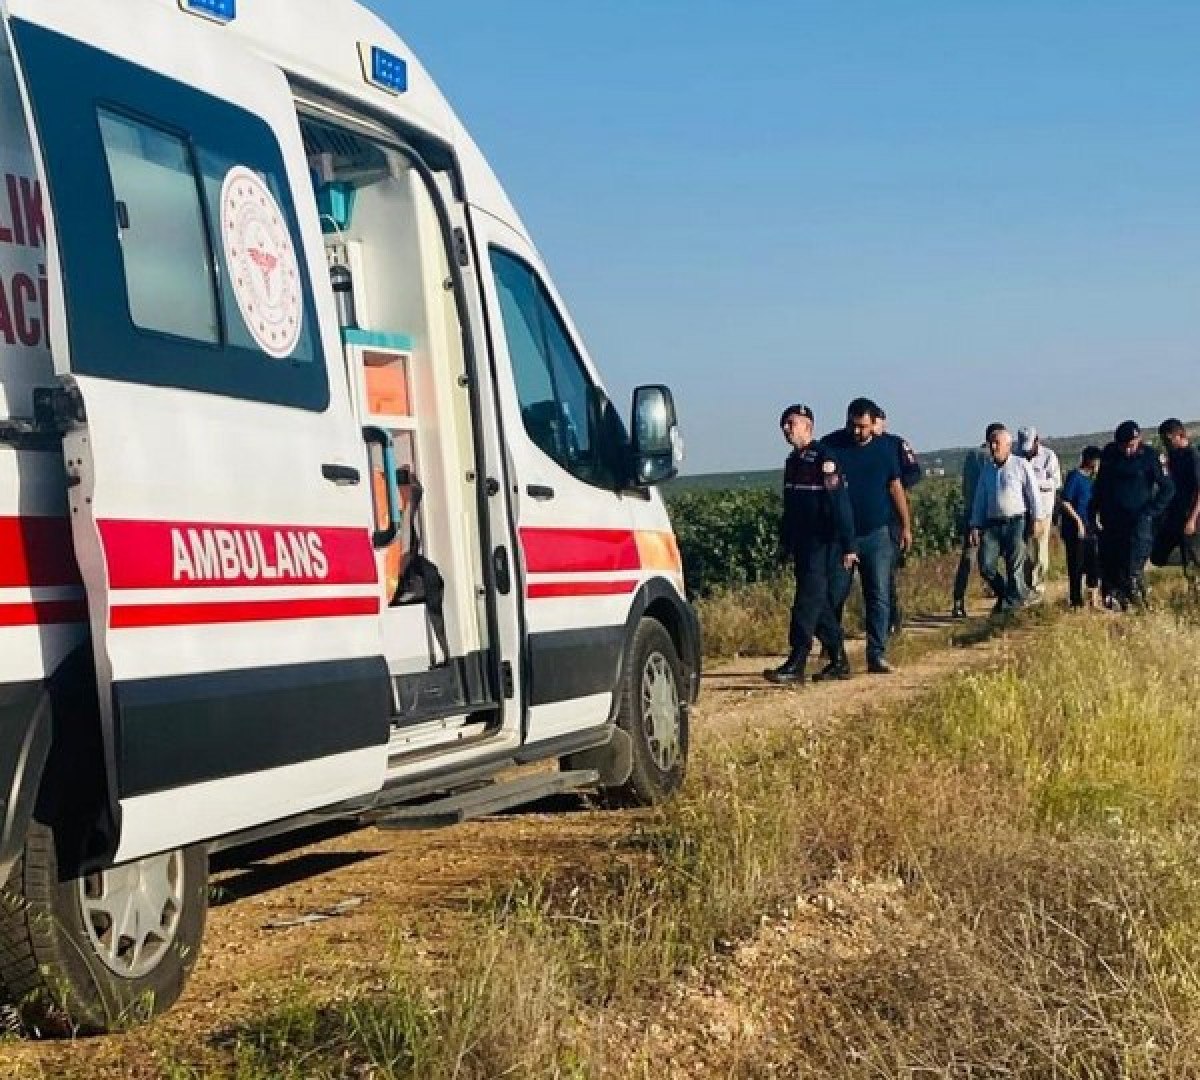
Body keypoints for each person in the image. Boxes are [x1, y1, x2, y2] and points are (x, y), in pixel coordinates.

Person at [764, 404, 858, 685]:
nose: (786, 429)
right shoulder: (792, 462)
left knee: (806, 601)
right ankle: (839, 659)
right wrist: (784, 543)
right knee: (819, 606)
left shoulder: (824, 459)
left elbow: (839, 504)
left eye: (791, 423)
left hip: (822, 540)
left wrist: (848, 544)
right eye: (783, 424)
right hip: (802, 541)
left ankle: (797, 660)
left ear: (808, 426)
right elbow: (790, 509)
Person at [822, 397, 912, 675]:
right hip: (841, 536)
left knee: (879, 594)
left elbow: (896, 488)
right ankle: (834, 653)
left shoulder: (886, 449)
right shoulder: (831, 446)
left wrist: (905, 526)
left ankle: (877, 653)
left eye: (862, 426)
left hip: (877, 532)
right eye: (852, 425)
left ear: (874, 424)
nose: (857, 431)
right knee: (834, 595)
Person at [1091, 420, 1174, 609]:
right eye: (1123, 446)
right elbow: (1101, 486)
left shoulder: (1151, 457)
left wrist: (1150, 512)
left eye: (1131, 446)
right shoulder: (1110, 455)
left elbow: (1168, 489)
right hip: (1112, 521)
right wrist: (1093, 510)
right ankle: (1117, 605)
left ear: (1139, 440)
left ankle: (1141, 606)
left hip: (1139, 521)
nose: (1127, 451)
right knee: (1112, 567)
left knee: (1132, 569)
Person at [968, 425, 1046, 613]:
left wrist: (1037, 518)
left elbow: (1033, 494)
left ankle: (1012, 607)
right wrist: (975, 525)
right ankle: (1007, 595)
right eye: (991, 443)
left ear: (1008, 445)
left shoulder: (1020, 465)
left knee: (1015, 565)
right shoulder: (987, 470)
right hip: (992, 524)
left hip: (1016, 522)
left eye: (997, 443)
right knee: (986, 565)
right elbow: (980, 499)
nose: (993, 447)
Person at [873, 408, 922, 634]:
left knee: (886, 572)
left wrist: (895, 488)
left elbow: (914, 472)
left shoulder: (896, 444)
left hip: (891, 515)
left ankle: (893, 620)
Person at [952, 422, 1005, 618]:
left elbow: (966, 487)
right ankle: (1004, 595)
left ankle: (958, 601)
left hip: (970, 513)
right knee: (992, 559)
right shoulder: (993, 459)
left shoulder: (971, 456)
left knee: (967, 560)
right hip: (990, 516)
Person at [1151, 418, 1200, 587]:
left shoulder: (1192, 457)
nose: (1166, 443)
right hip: (1174, 515)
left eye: (1169, 439)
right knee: (1157, 556)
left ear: (1181, 435)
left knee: (1191, 563)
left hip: (1190, 515)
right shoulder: (1173, 457)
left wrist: (1193, 519)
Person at [1015, 426, 1061, 600]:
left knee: (1040, 551)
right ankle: (1026, 586)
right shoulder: (1017, 457)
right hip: (1024, 510)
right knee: (1025, 551)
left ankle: (1038, 586)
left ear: (1037, 440)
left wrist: (1035, 483)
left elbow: (1055, 482)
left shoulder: (1049, 456)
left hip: (1043, 511)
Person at [1058, 446, 1102, 609]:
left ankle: (1094, 601)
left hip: (1091, 526)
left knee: (1094, 564)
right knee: (1076, 565)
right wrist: (1077, 522)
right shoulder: (1074, 477)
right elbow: (1065, 501)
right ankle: (1076, 602)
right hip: (1075, 528)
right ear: (1090, 461)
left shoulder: (1094, 480)